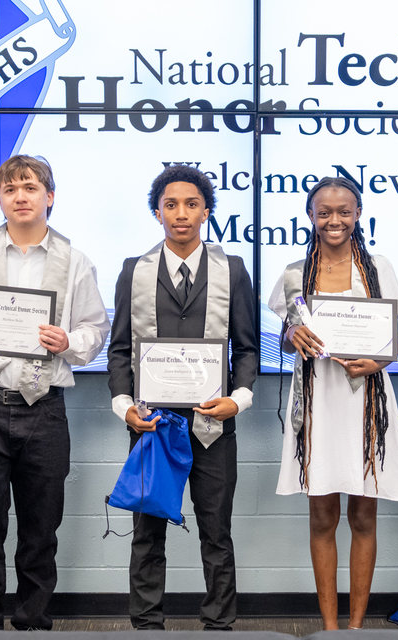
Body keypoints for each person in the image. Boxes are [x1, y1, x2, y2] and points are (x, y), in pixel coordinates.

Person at [0, 155, 110, 630]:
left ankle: (32, 620)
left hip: (45, 411)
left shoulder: (76, 262)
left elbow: (95, 330)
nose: (21, 197)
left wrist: (70, 342)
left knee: (40, 528)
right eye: (10, 190)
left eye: (30, 187)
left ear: (50, 196)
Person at [107, 164, 257, 630]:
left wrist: (240, 398)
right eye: (171, 205)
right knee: (147, 534)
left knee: (216, 533)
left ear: (206, 211)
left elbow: (247, 347)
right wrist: (124, 406)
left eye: (192, 204)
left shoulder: (231, 270)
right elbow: (118, 350)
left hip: (213, 424)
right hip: (152, 426)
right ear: (157, 213)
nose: (181, 213)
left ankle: (219, 625)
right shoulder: (135, 271)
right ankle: (147, 625)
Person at [268, 176, 398, 630]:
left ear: (358, 214)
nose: (335, 220)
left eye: (344, 211)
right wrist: (293, 334)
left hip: (366, 398)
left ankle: (355, 629)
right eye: (324, 212)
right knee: (321, 513)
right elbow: (286, 340)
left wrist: (377, 361)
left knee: (364, 513)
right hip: (317, 401)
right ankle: (330, 628)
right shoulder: (295, 273)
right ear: (310, 216)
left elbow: (393, 340)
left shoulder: (379, 268)